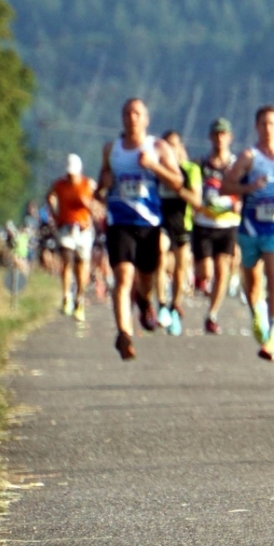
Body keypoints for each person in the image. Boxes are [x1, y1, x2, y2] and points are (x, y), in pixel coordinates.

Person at [97, 98, 183, 360]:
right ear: (122, 118)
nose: (131, 117)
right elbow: (101, 183)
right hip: (119, 222)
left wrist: (154, 166)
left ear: (146, 119)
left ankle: (144, 301)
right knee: (123, 277)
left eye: (137, 113)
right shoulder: (112, 150)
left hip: (148, 225)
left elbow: (178, 181)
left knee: (145, 278)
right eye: (127, 113)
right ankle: (124, 334)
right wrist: (104, 183)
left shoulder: (158, 147)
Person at [223, 105, 274, 361]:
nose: (268, 129)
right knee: (252, 282)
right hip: (251, 227)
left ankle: (273, 338)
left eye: (272, 124)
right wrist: (249, 187)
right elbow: (225, 187)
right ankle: (257, 313)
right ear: (257, 127)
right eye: (263, 124)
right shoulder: (249, 157)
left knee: (273, 276)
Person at [192, 118, 241, 335]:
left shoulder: (237, 164)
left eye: (224, 134)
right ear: (211, 137)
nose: (220, 139)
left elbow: (244, 187)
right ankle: (200, 280)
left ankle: (212, 314)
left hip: (228, 224)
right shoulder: (201, 164)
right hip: (204, 223)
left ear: (230, 137)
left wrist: (240, 201)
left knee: (222, 270)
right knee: (205, 272)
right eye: (216, 134)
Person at [156, 130, 202, 335]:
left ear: (180, 148)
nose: (170, 149)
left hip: (182, 224)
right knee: (159, 254)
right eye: (166, 145)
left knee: (180, 268)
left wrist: (177, 188)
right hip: (159, 222)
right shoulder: (155, 170)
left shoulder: (190, 170)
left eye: (174, 145)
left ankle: (175, 306)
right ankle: (161, 304)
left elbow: (197, 201)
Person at [46, 153, 97, 321]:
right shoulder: (59, 185)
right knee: (67, 260)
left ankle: (80, 300)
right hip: (66, 228)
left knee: (82, 265)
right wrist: (55, 213)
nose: (70, 177)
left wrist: (87, 204)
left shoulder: (87, 184)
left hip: (83, 230)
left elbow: (98, 204)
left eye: (72, 174)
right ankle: (66, 296)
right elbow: (50, 196)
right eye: (68, 174)